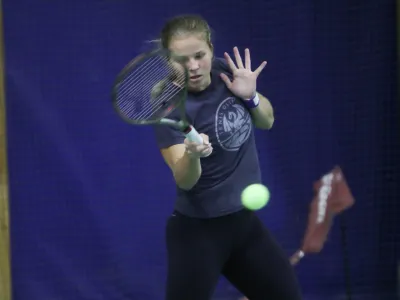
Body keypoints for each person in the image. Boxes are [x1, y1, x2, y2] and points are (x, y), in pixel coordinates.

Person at [152, 14, 303, 300]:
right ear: (168, 61)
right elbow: (185, 180)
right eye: (182, 60)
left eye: (199, 55)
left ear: (210, 48)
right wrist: (193, 155)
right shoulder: (168, 105)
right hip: (198, 233)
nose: (193, 67)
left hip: (244, 227)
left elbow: (267, 121)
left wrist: (251, 97)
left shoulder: (227, 72)